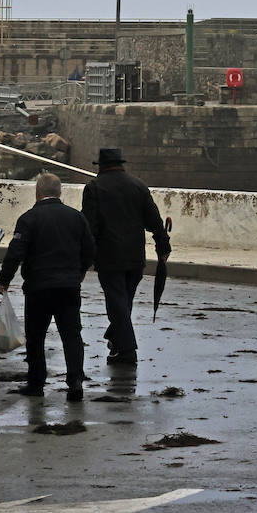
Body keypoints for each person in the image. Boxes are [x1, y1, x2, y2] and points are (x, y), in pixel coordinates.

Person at [0, 173, 95, 402]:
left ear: (37, 192)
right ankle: (75, 381)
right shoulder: (77, 218)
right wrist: (78, 273)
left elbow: (16, 252)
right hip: (69, 287)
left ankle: (36, 383)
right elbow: (90, 250)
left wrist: (5, 279)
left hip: (38, 287)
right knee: (71, 335)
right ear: (59, 193)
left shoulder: (29, 218)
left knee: (36, 336)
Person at [82, 147, 170, 366]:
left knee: (117, 304)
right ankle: (116, 340)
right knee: (124, 302)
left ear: (100, 166)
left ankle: (127, 350)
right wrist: (163, 245)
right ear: (121, 164)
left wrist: (83, 257)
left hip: (109, 256)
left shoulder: (94, 188)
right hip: (135, 256)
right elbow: (154, 221)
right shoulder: (138, 185)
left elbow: (89, 227)